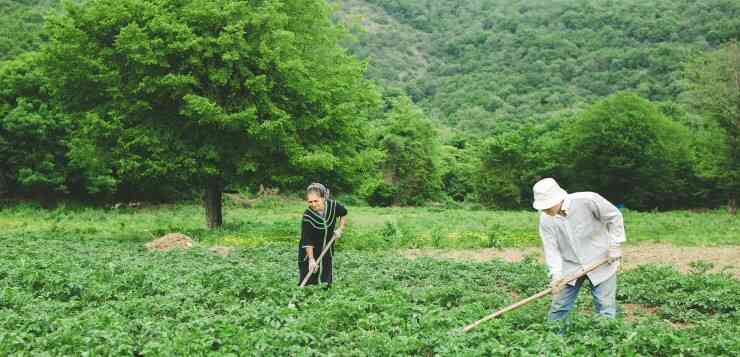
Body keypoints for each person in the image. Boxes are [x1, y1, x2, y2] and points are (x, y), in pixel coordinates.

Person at [532, 178, 625, 320]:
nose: (544, 209)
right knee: (559, 307)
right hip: (570, 266)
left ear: (558, 199)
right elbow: (551, 249)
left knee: (605, 306)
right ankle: (554, 338)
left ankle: (607, 338)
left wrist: (615, 245)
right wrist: (556, 275)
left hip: (601, 260)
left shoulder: (588, 200)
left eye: (547, 206)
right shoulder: (545, 219)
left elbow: (614, 216)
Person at [298, 183, 348, 287]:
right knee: (309, 277)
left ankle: (324, 296)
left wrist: (340, 228)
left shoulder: (333, 206)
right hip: (310, 251)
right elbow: (307, 240)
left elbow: (343, 213)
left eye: (316, 201)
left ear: (324, 198)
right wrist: (311, 260)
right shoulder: (308, 216)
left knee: (326, 277)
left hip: (327, 248)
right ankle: (305, 297)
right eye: (310, 202)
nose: (313, 204)